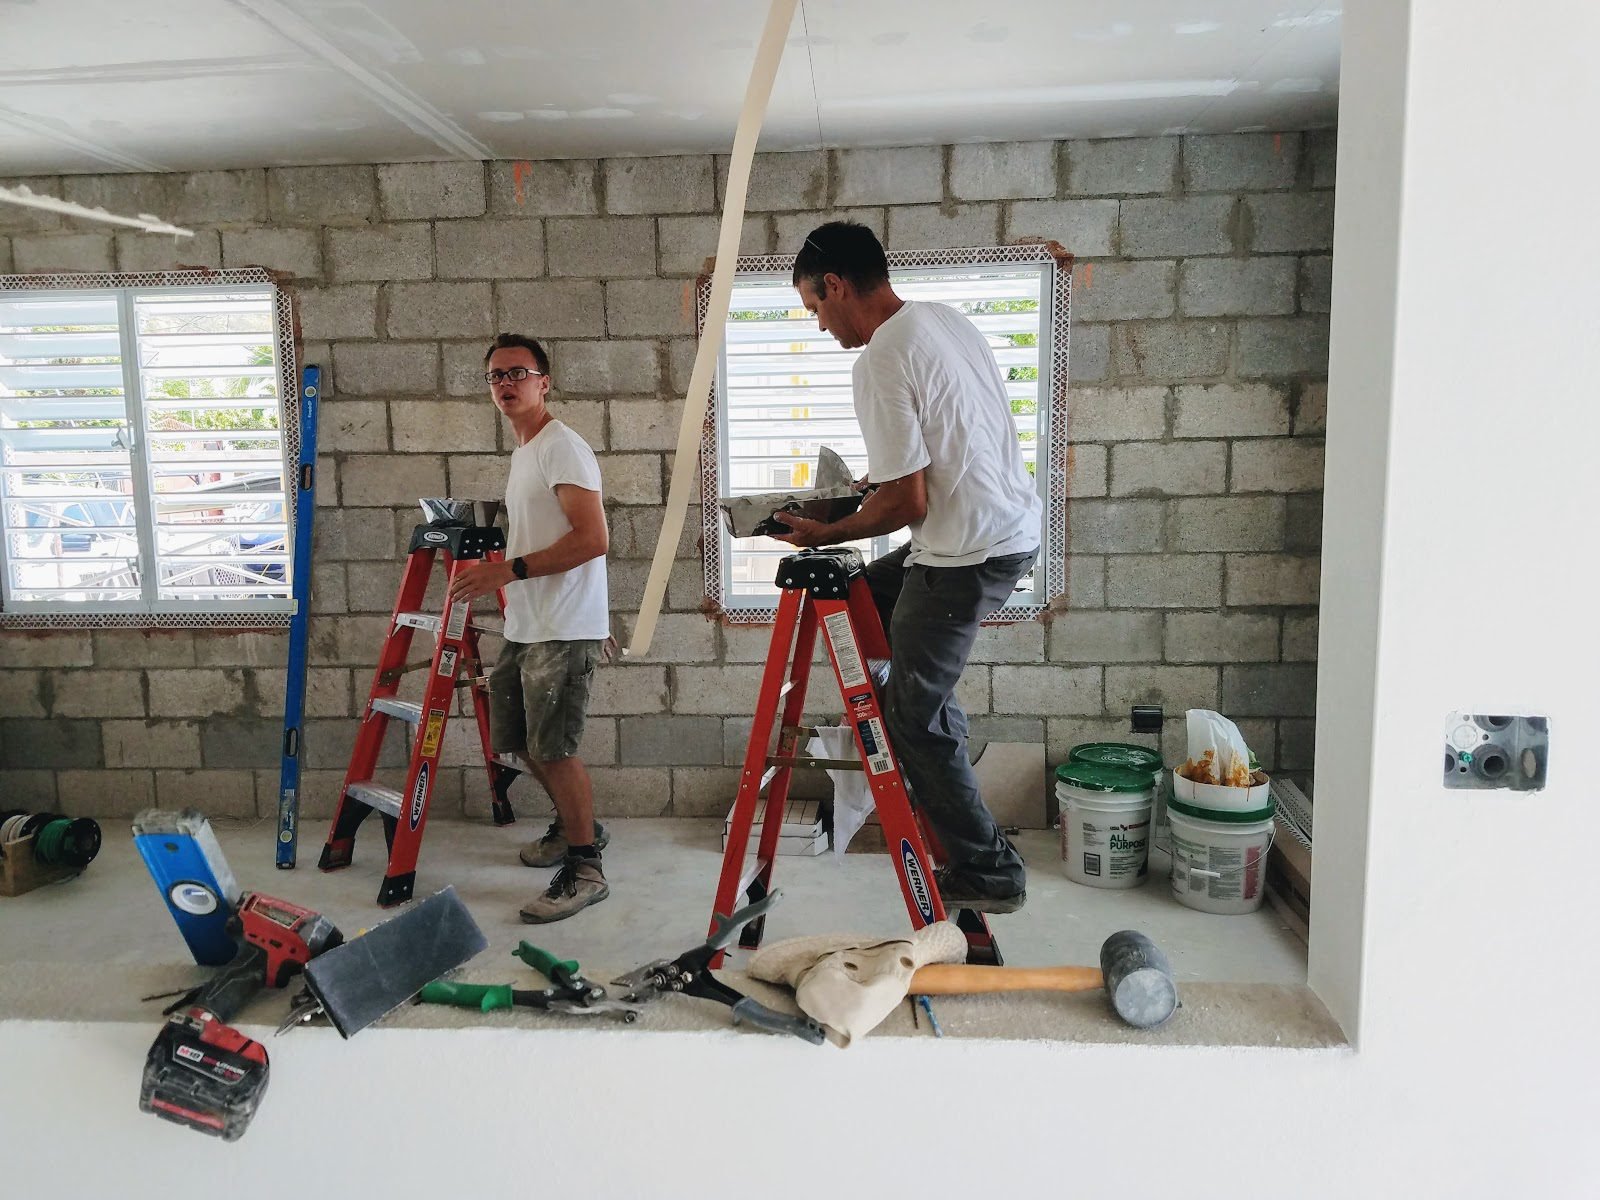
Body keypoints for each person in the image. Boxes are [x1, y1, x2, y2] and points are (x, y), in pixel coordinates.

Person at [770, 222, 1042, 913]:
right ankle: (924, 696)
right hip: (1002, 529)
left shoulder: (879, 358)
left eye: (815, 307)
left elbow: (907, 502)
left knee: (912, 720)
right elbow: (948, 443)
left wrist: (826, 531)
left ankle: (990, 873)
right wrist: (871, 488)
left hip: (964, 555)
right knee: (866, 592)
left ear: (836, 285)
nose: (820, 325)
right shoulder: (942, 321)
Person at [448, 333, 611, 924]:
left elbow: (593, 539)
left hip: (562, 625)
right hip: (530, 623)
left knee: (554, 749)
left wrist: (507, 570)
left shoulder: (561, 447)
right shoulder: (527, 452)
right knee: (516, 738)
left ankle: (586, 868)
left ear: (545, 382)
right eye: (496, 376)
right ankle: (577, 826)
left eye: (518, 372)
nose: (506, 383)